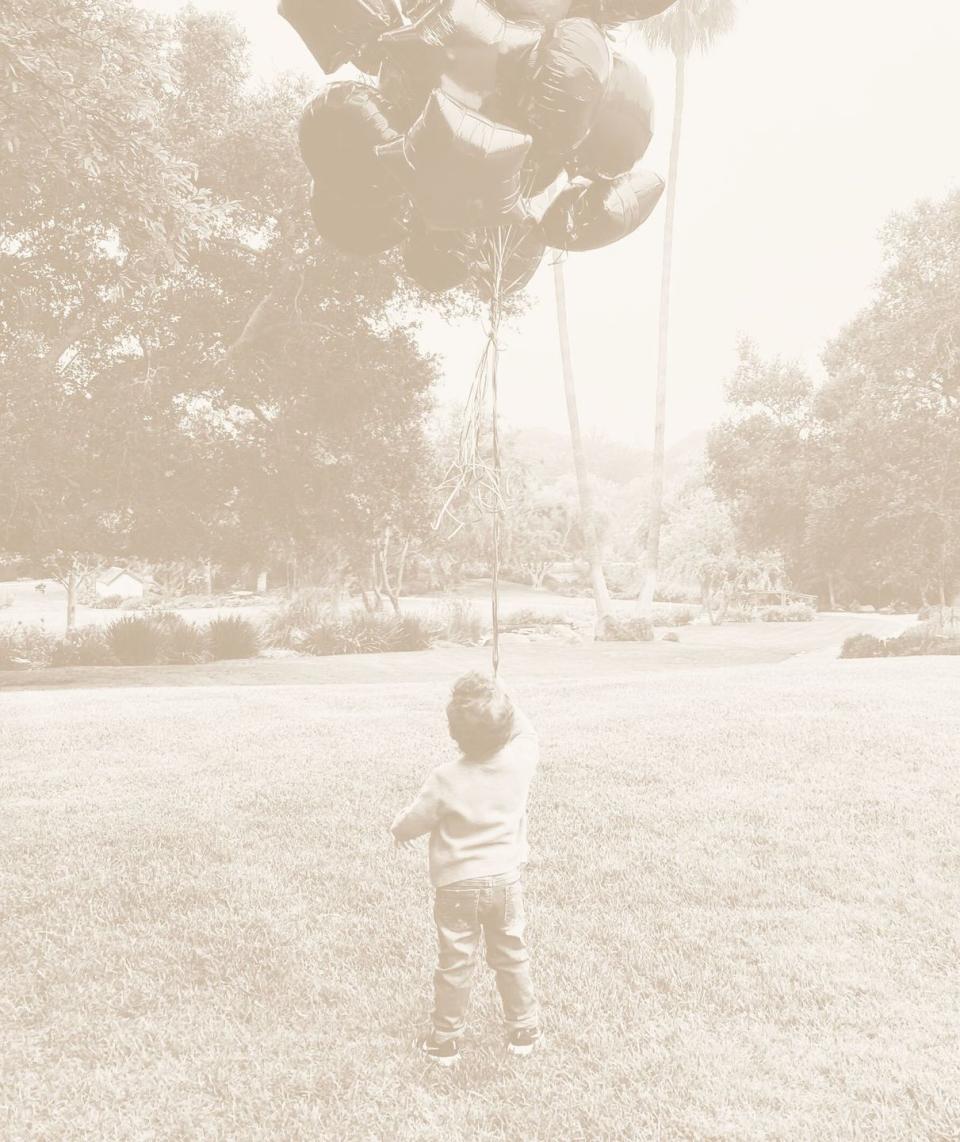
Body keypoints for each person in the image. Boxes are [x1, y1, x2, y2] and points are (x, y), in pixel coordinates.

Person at [390, 671, 542, 1066]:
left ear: (454, 734)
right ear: (506, 725)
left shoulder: (445, 778)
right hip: (506, 880)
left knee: (456, 960)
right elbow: (526, 730)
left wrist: (398, 830)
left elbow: (415, 821)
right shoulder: (520, 762)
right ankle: (523, 1029)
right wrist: (503, 693)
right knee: (511, 952)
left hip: (457, 886)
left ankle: (446, 1041)